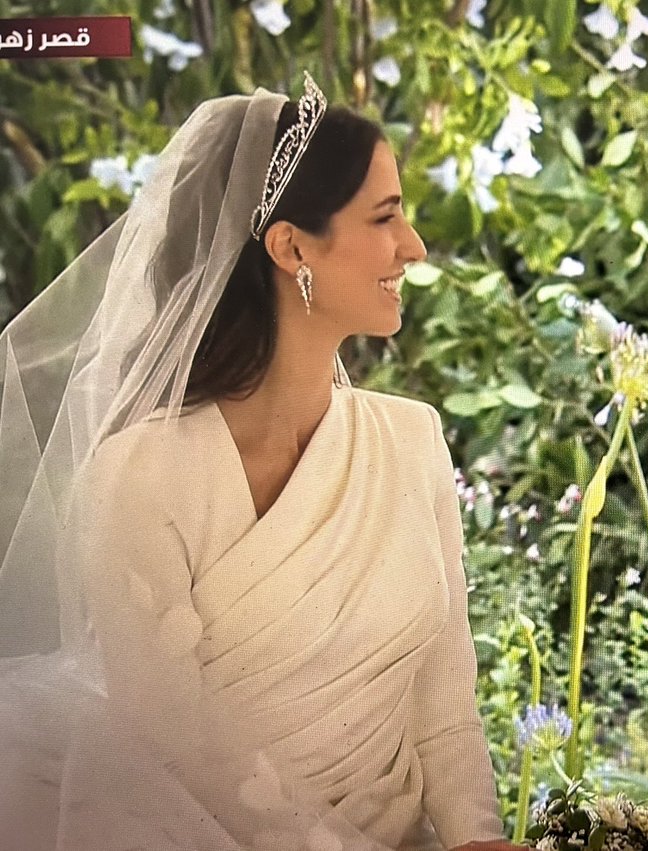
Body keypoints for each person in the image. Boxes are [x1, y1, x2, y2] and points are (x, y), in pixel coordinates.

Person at [0, 72, 518, 851]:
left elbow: (443, 705)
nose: (412, 246)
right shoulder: (138, 477)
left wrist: (480, 838)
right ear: (290, 246)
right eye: (385, 217)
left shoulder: (412, 440)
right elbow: (185, 755)